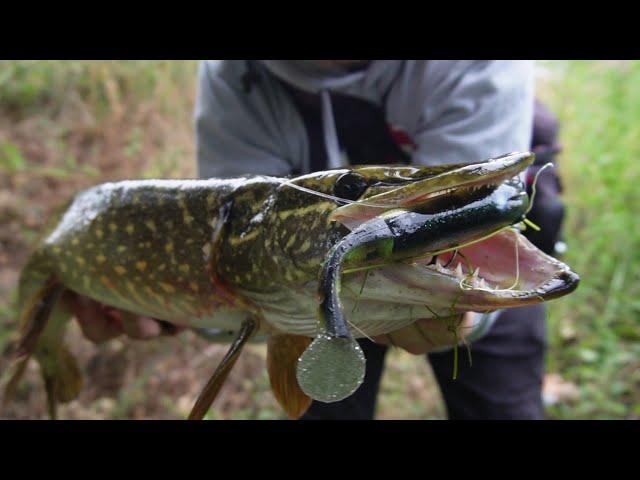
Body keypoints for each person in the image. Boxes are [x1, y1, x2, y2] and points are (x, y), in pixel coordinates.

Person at [66, 60, 565, 420]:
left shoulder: (475, 68)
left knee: (501, 406)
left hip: (459, 265)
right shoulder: (234, 77)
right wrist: (176, 306)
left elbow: (466, 217)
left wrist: (469, 316)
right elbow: (245, 262)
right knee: (328, 404)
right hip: (309, 286)